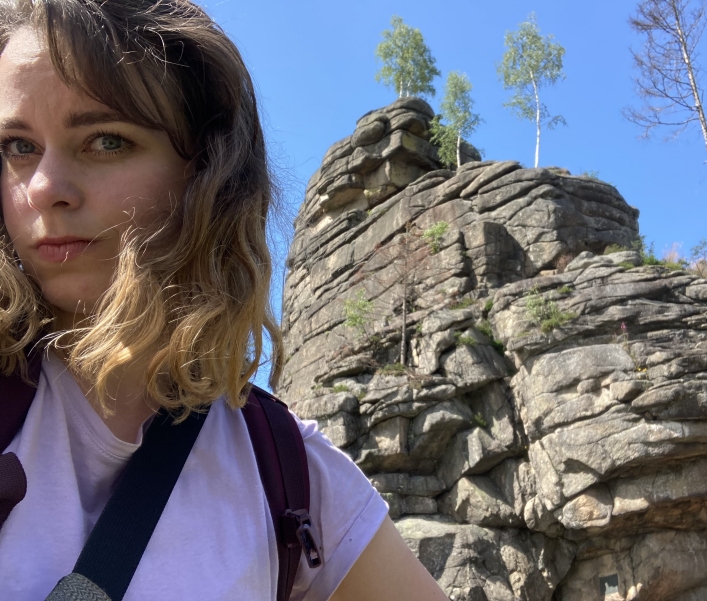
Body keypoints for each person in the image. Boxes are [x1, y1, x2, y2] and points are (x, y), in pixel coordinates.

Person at [0, 0, 448, 599]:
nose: (44, 188)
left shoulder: (290, 472)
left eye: (106, 140)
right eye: (17, 147)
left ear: (208, 173)